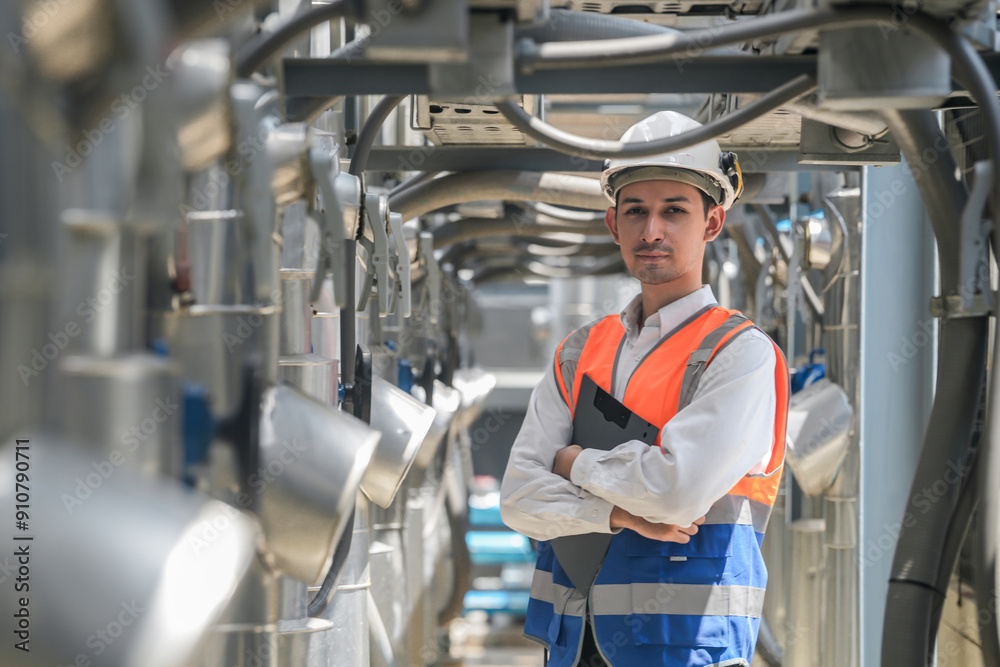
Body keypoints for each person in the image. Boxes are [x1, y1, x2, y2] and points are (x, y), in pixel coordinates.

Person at [499, 110, 789, 667]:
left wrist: (575, 462)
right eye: (635, 211)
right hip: (573, 646)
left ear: (711, 223)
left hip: (683, 651)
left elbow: (678, 491)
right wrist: (618, 515)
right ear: (613, 225)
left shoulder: (740, 354)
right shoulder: (580, 351)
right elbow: (517, 498)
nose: (651, 230)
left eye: (673, 211)